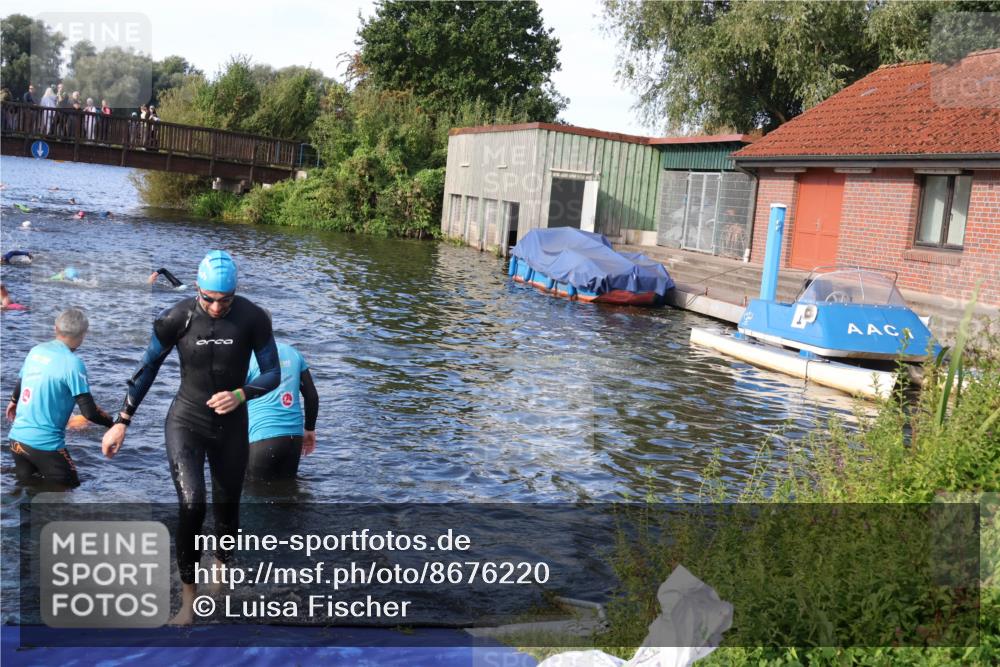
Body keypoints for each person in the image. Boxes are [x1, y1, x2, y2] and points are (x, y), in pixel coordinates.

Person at [101, 250, 280, 625]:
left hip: (231, 425)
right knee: (192, 504)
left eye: (225, 300)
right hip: (187, 421)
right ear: (198, 289)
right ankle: (187, 601)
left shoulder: (252, 318)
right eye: (209, 299)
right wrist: (122, 420)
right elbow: (147, 368)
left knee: (228, 509)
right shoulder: (176, 318)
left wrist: (241, 394)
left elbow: (272, 373)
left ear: (235, 293)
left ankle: (221, 570)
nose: (216, 307)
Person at [6, 309, 113, 489]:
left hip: (16, 440)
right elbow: (89, 412)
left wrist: (13, 401)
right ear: (83, 335)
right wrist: (113, 423)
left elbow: (22, 381)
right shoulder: (72, 363)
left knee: (27, 490)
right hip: (45, 446)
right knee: (70, 488)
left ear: (55, 328)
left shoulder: (36, 350)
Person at [246, 338, 318, 480]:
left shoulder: (246, 356)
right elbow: (312, 396)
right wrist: (309, 429)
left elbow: (232, 397)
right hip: (294, 439)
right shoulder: (293, 352)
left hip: (261, 436)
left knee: (254, 494)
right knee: (288, 491)